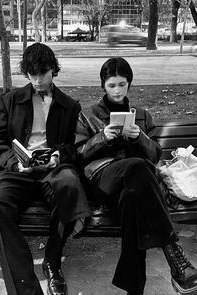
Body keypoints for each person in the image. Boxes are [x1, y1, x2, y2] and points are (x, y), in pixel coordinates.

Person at [0, 42, 90, 295]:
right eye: (32, 75)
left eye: (42, 74)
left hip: (53, 171)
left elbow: (73, 146)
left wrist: (58, 154)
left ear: (53, 71)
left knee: (69, 187)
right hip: (17, 171)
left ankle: (53, 264)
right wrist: (14, 162)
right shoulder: (10, 101)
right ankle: (25, 288)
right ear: (26, 73)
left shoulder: (69, 105)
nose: (37, 81)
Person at [75, 57, 197, 295]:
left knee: (133, 199)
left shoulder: (141, 115)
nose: (117, 90)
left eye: (122, 84)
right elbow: (78, 155)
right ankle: (174, 255)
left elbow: (155, 154)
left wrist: (139, 136)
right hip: (103, 181)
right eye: (112, 85)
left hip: (136, 188)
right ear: (103, 86)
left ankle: (134, 288)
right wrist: (102, 138)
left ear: (129, 83)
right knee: (137, 167)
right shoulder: (87, 115)